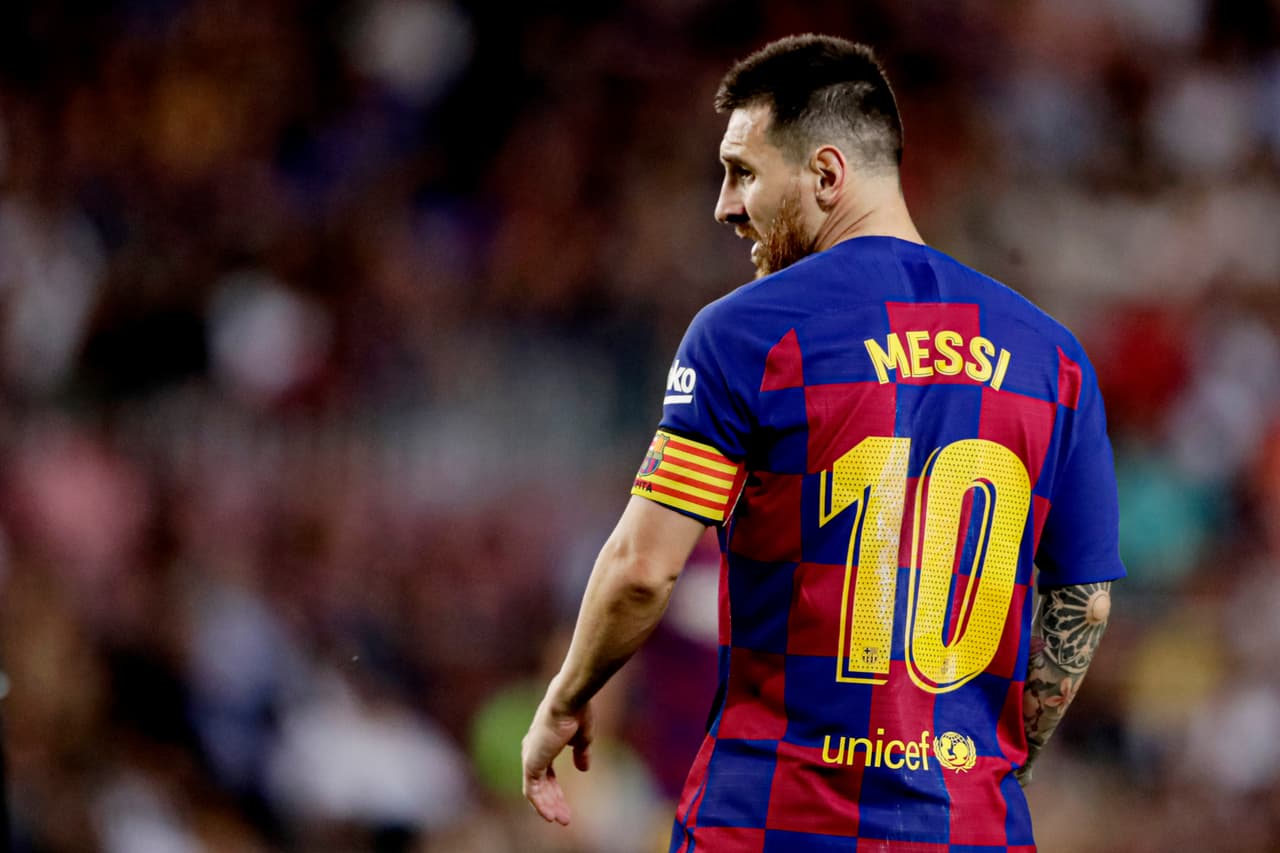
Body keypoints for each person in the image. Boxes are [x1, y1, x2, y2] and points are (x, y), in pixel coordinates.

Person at [522, 34, 1124, 851]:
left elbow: (641, 569)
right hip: (966, 827)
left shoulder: (747, 333)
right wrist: (991, 765)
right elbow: (1083, 602)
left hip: (772, 821)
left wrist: (565, 695)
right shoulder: (1053, 358)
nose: (724, 205)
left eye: (742, 172)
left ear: (827, 174)